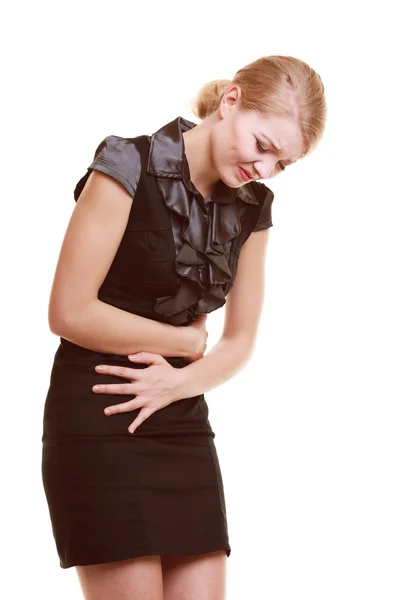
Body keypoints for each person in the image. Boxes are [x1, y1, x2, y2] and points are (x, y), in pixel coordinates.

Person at [41, 55, 326, 599]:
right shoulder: (126, 163)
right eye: (263, 146)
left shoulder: (253, 208)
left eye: (282, 163)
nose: (264, 169)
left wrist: (178, 381)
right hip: (102, 408)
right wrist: (182, 342)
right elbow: (68, 311)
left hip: (182, 416)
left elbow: (240, 341)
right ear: (232, 101)